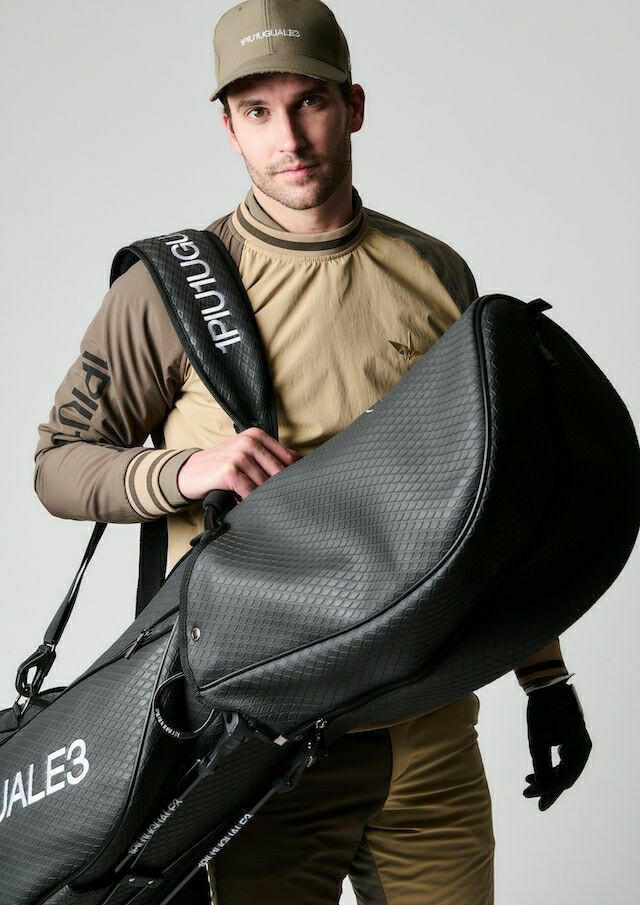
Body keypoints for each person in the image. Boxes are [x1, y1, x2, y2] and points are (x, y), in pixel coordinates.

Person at [33, 1, 592, 902]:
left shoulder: (436, 272)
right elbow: (58, 464)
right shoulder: (167, 290)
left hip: (429, 728)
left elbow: (490, 491)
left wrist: (545, 674)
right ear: (229, 128)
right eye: (257, 111)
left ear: (354, 105)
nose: (288, 138)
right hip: (253, 742)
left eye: (310, 103)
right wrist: (185, 470)